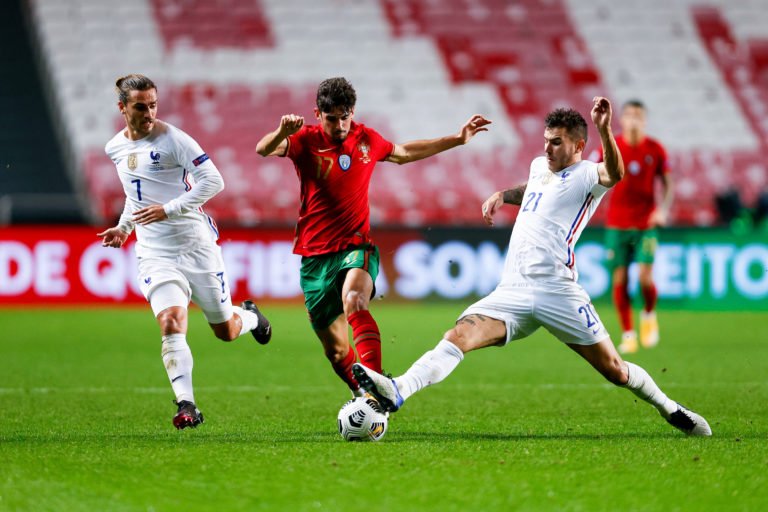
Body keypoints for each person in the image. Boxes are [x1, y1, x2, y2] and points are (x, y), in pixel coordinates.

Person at [353, 98, 711, 437]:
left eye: (556, 143)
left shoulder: (589, 175)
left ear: (578, 146)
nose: (547, 149)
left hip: (558, 290)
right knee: (457, 336)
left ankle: (670, 408)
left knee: (616, 371)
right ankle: (398, 389)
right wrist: (502, 196)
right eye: (545, 141)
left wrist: (605, 128)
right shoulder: (540, 166)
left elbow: (615, 173)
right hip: (512, 289)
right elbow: (536, 190)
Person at [255, 77, 491, 396]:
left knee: (354, 299)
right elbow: (263, 149)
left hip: (356, 246)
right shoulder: (304, 140)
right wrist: (282, 132)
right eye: (331, 118)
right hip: (314, 257)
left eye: (345, 116)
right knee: (336, 352)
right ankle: (363, 395)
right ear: (317, 114)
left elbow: (404, 152)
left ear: (352, 112)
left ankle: (378, 387)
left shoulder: (366, 138)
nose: (340, 124)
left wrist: (457, 139)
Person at [98, 74, 272, 430]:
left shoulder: (173, 139)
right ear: (122, 108)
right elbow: (136, 197)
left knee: (225, 330)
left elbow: (214, 180)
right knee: (171, 322)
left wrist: (170, 208)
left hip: (195, 246)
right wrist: (124, 227)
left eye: (153, 105)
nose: (148, 113)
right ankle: (186, 405)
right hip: (154, 251)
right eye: (140, 107)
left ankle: (251, 316)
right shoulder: (115, 147)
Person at [595, 100, 673, 354]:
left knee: (644, 277)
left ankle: (648, 314)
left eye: (638, 116)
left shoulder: (655, 149)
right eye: (629, 115)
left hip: (645, 223)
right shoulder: (611, 146)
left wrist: (662, 210)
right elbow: (591, 173)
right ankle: (628, 334)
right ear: (622, 119)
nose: (634, 120)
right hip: (617, 223)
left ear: (645, 120)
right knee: (620, 278)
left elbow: (668, 183)